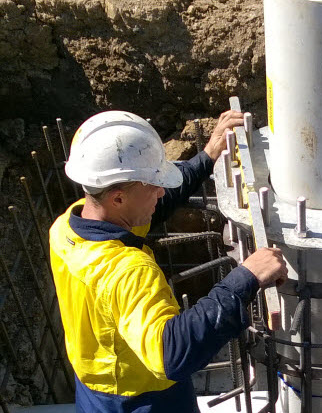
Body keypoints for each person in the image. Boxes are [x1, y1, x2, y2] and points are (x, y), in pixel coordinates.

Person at [49, 110, 287, 413]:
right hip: (143, 400)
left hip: (95, 389)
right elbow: (171, 354)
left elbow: (156, 206)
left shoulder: (68, 225)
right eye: (153, 185)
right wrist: (245, 278)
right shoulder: (130, 271)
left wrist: (207, 156)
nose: (161, 191)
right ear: (118, 199)